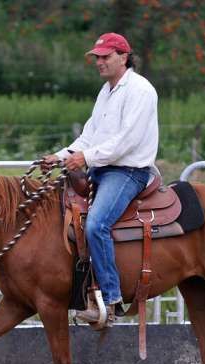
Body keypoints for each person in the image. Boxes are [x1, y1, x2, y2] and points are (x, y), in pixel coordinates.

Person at [43, 32, 159, 323]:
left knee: (96, 223)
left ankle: (111, 299)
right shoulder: (107, 91)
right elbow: (89, 135)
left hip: (128, 171)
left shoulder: (140, 91)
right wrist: (58, 157)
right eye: (97, 57)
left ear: (124, 56)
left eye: (106, 56)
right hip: (103, 168)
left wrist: (86, 158)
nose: (99, 62)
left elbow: (126, 142)